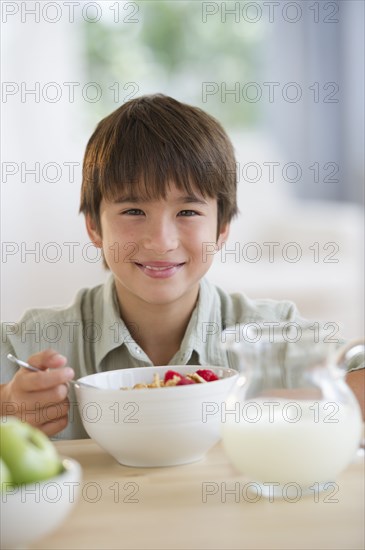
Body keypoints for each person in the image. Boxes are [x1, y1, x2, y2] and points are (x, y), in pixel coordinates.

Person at [1, 94, 363, 439]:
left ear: (222, 229)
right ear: (94, 227)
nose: (161, 241)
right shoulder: (30, 344)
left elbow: (353, 382)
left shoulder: (274, 336)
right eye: (133, 211)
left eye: (187, 212)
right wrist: (7, 406)